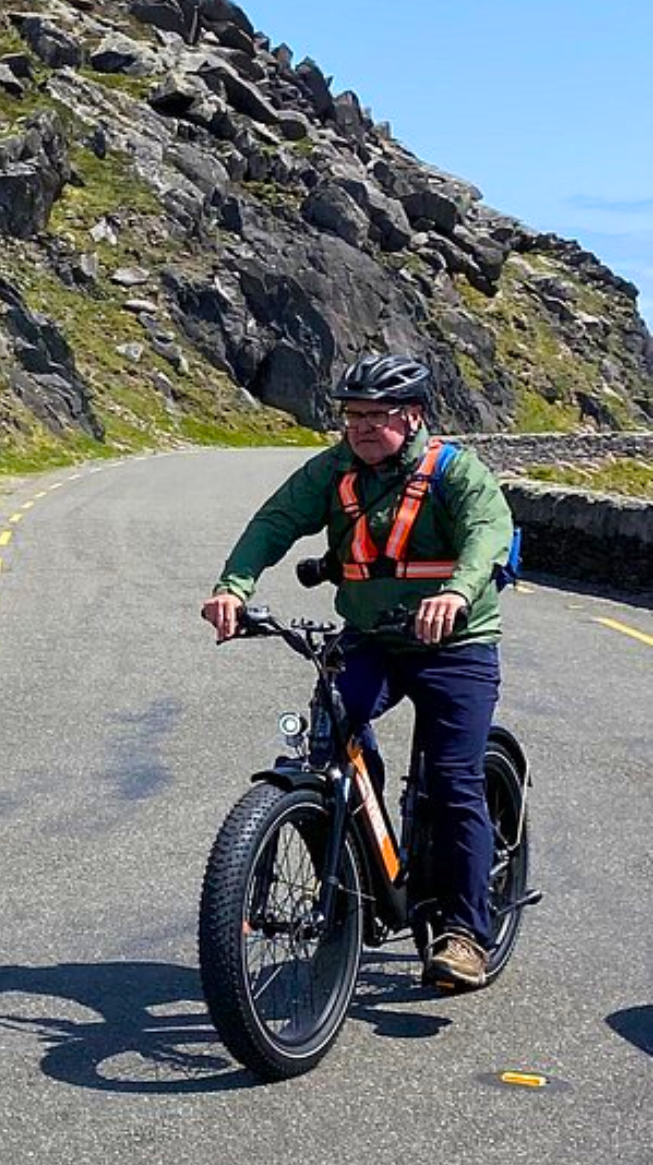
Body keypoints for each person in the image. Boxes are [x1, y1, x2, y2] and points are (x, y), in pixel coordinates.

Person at [200, 352, 516, 991]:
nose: (364, 426)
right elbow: (274, 523)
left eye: (380, 414)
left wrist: (456, 593)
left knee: (453, 781)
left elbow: (488, 534)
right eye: (353, 415)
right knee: (328, 740)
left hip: (455, 644)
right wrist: (233, 586)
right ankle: (354, 877)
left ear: (414, 415)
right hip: (371, 637)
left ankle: (465, 934)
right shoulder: (334, 469)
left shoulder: (456, 472)